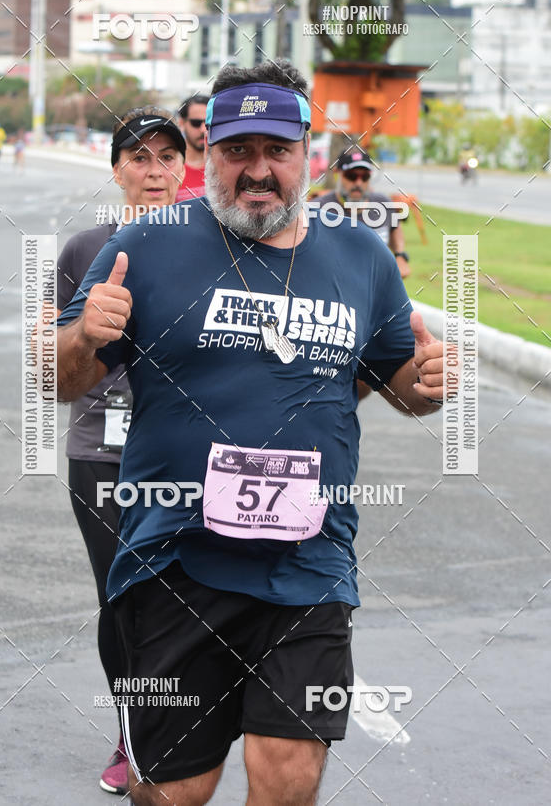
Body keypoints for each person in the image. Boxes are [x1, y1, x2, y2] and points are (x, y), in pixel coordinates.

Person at [56, 59, 448, 806]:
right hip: (176, 559)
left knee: (288, 776)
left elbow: (401, 379)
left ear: (308, 152)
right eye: (238, 150)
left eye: (278, 149)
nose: (258, 170)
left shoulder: (360, 255)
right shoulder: (152, 244)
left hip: (310, 563)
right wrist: (81, 341)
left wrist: (425, 387)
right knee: (173, 792)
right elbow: (61, 377)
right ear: (212, 156)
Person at [56, 106, 186, 796]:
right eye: (140, 156)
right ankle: (134, 731)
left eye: (168, 156)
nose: (155, 169)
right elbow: (50, 365)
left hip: (185, 459)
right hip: (101, 455)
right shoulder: (83, 250)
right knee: (121, 604)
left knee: (178, 601)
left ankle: (172, 723)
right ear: (117, 170)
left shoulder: (216, 247)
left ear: (185, 168)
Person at [318, 148, 410, 279]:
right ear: (337, 173)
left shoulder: (384, 204)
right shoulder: (318, 209)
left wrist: (400, 255)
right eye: (351, 176)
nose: (358, 183)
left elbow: (395, 228)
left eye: (365, 177)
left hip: (376, 289)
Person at [177, 94, 208, 200]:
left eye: (208, 123)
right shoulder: (170, 169)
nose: (203, 129)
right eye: (196, 123)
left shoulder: (225, 166)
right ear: (181, 123)